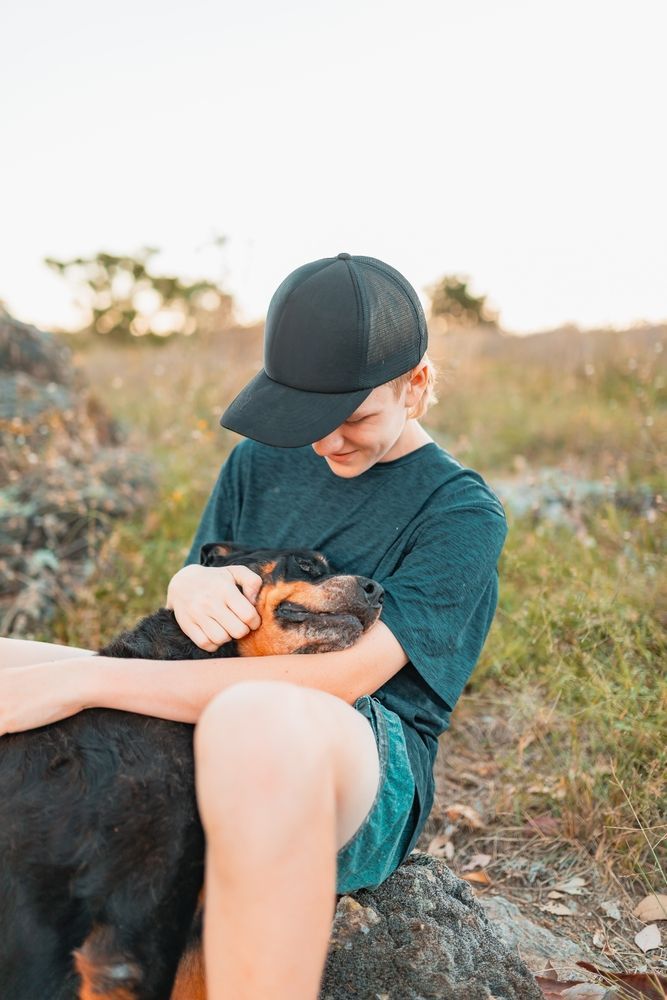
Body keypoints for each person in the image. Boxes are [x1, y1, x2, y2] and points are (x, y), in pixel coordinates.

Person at [0, 252, 508, 1000]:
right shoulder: (258, 463)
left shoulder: (459, 512)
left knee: (253, 716)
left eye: (354, 418)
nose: (327, 442)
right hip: (208, 695)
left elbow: (342, 678)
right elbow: (201, 600)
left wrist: (85, 680)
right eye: (309, 420)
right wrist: (188, 582)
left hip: (353, 747)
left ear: (418, 385)